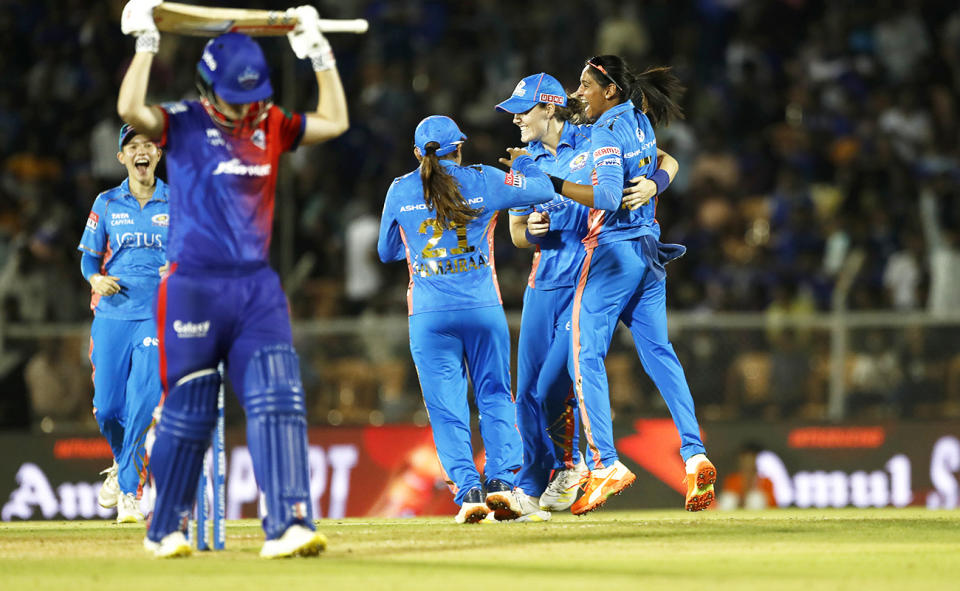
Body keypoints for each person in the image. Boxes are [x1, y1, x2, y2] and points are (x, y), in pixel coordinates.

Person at [117, 1, 348, 557]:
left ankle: (287, 524)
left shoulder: (272, 124)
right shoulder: (182, 121)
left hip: (256, 289)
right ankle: (164, 528)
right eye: (235, 99)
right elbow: (129, 106)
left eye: (255, 99)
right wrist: (146, 42)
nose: (247, 111)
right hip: (193, 285)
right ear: (206, 88)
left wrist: (320, 51)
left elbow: (336, 120)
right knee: (191, 408)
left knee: (278, 397)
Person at [495, 73, 682, 514]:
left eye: (523, 109)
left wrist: (655, 183)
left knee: (551, 388)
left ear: (550, 108)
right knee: (526, 395)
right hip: (543, 284)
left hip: (589, 278)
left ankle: (567, 466)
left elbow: (666, 159)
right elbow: (517, 232)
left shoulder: (596, 136)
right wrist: (532, 231)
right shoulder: (527, 160)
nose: (516, 117)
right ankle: (535, 483)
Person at [540, 55, 714, 514]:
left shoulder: (607, 130)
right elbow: (667, 161)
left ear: (609, 90)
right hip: (648, 252)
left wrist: (551, 184)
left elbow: (609, 196)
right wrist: (657, 183)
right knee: (660, 354)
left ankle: (605, 464)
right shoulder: (638, 120)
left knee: (585, 352)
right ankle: (695, 454)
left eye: (584, 85)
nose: (578, 93)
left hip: (613, 252)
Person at [377, 115, 556, 524]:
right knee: (494, 394)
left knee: (445, 407)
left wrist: (427, 249)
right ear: (460, 147)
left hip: (428, 313)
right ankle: (501, 485)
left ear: (417, 154)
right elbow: (544, 190)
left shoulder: (400, 189)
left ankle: (468, 492)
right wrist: (525, 164)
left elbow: (388, 252)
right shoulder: (484, 180)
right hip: (482, 309)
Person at [77, 123, 167, 524]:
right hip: (112, 314)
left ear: (158, 155)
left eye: (148, 144)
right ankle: (120, 461)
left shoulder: (175, 202)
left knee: (143, 402)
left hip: (157, 313)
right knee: (108, 407)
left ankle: (131, 491)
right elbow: (87, 258)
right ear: (122, 158)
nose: (141, 151)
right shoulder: (107, 202)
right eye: (133, 146)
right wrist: (95, 278)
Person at [717, 442, 777, 510]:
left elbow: (773, 504)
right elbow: (728, 501)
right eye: (745, 457)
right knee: (728, 498)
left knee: (756, 498)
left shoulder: (766, 481)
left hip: (760, 515)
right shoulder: (732, 479)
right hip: (734, 513)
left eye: (752, 457)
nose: (749, 461)